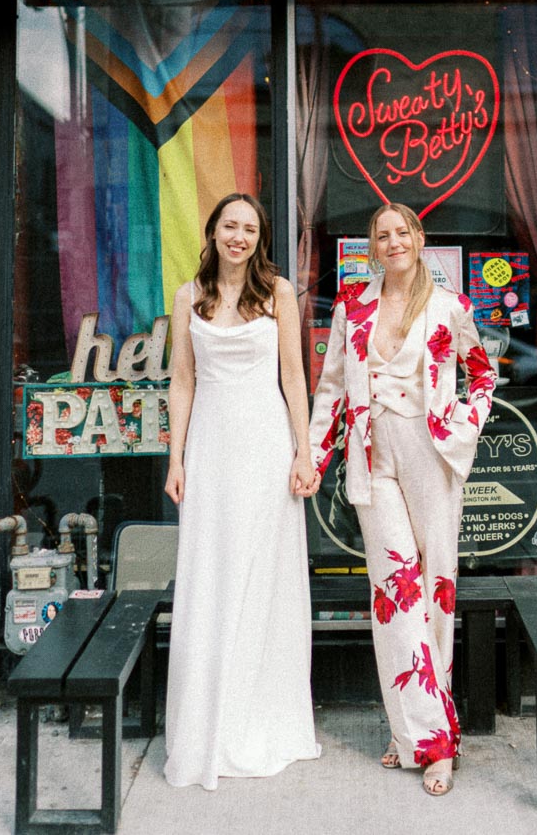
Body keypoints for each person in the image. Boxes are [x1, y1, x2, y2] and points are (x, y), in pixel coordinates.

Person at [306, 202, 497, 796]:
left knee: (436, 587)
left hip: (429, 452)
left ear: (419, 238)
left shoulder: (449, 305)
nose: (393, 242)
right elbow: (332, 387)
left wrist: (460, 427)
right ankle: (428, 736)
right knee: (395, 592)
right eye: (382, 235)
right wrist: (313, 457)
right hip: (371, 457)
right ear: (372, 246)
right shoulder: (352, 306)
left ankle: (418, 732)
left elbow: (483, 374)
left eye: (402, 232)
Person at [163, 193, 321, 787]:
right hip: (209, 448)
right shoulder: (188, 296)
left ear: (260, 237)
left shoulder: (277, 292)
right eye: (230, 225)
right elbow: (182, 381)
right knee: (212, 575)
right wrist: (176, 457)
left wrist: (304, 451)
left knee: (265, 577)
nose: (239, 236)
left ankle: (261, 717)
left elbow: (293, 378)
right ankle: (208, 722)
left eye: (250, 228)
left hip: (265, 443)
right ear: (212, 230)